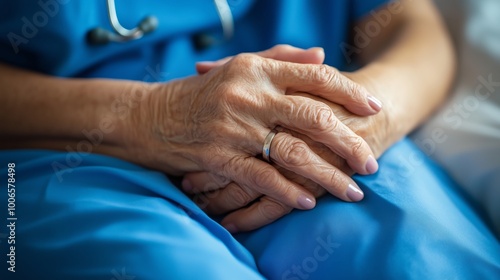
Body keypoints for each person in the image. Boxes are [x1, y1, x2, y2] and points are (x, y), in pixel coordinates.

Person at [0, 0, 498, 279]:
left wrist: (369, 110)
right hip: (69, 152)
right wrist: (155, 116)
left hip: (324, 135)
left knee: (425, 263)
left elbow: (415, 25)